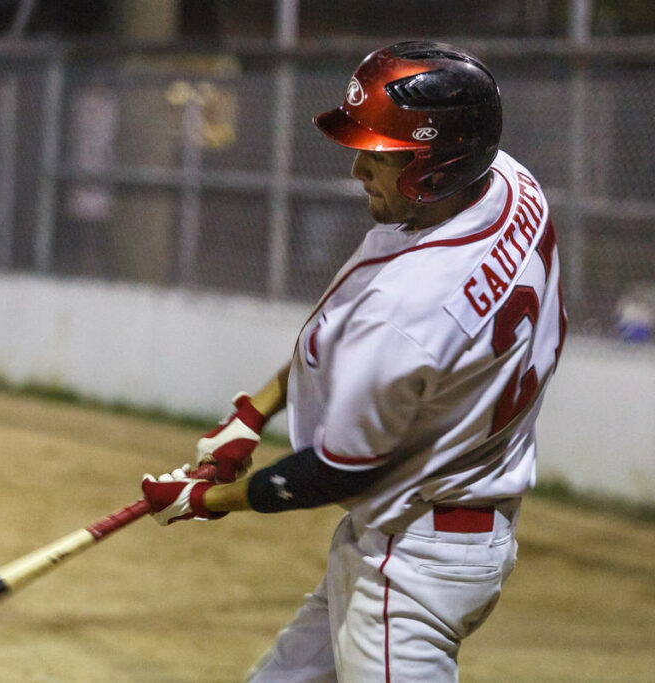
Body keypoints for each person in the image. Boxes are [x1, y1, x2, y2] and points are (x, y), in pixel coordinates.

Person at [141, 41, 567, 682]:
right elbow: (345, 339)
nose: (359, 170)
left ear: (437, 167)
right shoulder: (508, 182)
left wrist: (209, 498)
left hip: (414, 561)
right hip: (429, 526)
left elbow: (334, 471)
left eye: (380, 155)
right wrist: (249, 415)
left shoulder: (405, 310)